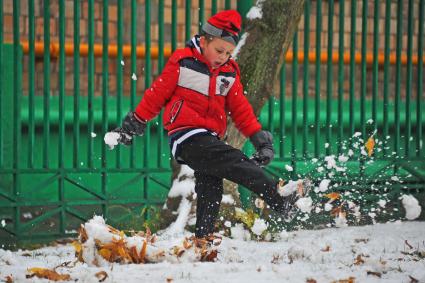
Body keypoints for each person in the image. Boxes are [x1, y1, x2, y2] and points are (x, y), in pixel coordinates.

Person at [112, 10, 306, 239]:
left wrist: (258, 138)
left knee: (210, 186)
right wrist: (134, 122)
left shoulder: (229, 72)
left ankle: (202, 239)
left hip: (210, 138)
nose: (223, 56)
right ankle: (278, 199)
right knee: (235, 161)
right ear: (204, 41)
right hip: (186, 136)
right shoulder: (183, 62)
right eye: (219, 50)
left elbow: (241, 108)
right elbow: (157, 94)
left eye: (228, 52)